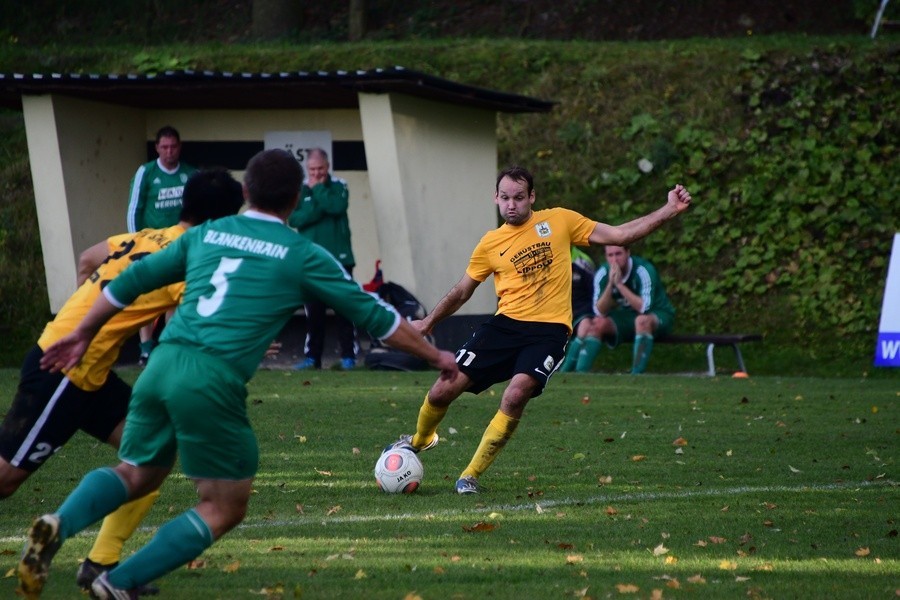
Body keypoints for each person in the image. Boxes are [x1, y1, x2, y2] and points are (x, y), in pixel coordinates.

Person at [18, 149, 459, 599]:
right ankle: (118, 581)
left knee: (137, 470)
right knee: (225, 505)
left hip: (161, 366)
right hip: (210, 381)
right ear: (295, 200)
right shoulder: (303, 254)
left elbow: (130, 280)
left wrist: (82, 332)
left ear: (246, 192)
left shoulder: (207, 233)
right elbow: (379, 318)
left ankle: (60, 522)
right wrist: (435, 355)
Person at [1, 168, 244, 595]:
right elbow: (186, 328)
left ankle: (100, 564)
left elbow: (87, 259)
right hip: (65, 369)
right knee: (6, 478)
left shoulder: (148, 237)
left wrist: (83, 319)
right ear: (216, 223)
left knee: (153, 455)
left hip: (88, 369)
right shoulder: (193, 257)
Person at [384, 165, 692, 494]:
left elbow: (620, 235)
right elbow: (462, 290)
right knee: (442, 390)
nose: (511, 204)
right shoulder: (490, 243)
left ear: (532, 197)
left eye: (519, 197)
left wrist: (669, 209)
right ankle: (420, 440)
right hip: (503, 327)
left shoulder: (559, 220)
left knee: (515, 395)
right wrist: (427, 323)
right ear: (496, 199)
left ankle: (470, 476)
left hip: (548, 332)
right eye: (505, 198)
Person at [125, 125, 198, 366]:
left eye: (173, 146)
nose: (169, 152)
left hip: (179, 245)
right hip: (151, 244)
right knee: (146, 295)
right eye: (164, 147)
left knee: (175, 295)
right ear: (157, 148)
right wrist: (136, 243)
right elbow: (134, 209)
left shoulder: (190, 173)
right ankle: (145, 348)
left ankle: (169, 343)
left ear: (179, 147)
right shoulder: (145, 172)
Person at [288, 148, 358, 370]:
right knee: (314, 314)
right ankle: (312, 359)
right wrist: (318, 207)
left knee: (344, 309)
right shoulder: (299, 190)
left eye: (320, 169)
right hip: (310, 261)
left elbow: (337, 207)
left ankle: (349, 357)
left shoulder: (339, 185)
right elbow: (295, 219)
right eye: (312, 169)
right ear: (306, 168)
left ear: (328, 166)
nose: (316, 173)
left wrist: (317, 192)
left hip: (340, 258)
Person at [569, 245, 675, 374]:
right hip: (628, 316)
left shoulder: (643, 270)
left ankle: (636, 374)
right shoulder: (603, 272)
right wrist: (610, 285)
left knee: (642, 321)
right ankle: (579, 374)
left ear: (628, 253)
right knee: (597, 323)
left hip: (658, 314)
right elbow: (599, 311)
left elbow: (643, 308)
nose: (614, 259)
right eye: (610, 255)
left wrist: (619, 284)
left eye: (618, 254)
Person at [559, 246, 597, 372]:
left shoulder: (583, 262)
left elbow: (594, 293)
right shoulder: (546, 258)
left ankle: (568, 370)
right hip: (555, 310)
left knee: (585, 325)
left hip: (581, 309)